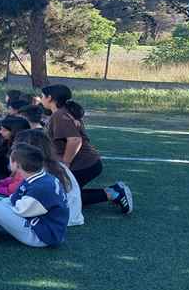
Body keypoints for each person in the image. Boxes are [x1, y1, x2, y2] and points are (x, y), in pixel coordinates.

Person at [41, 85, 133, 214]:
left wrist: (65, 164)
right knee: (60, 194)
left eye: (42, 96)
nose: (41, 99)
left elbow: (75, 140)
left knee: (60, 197)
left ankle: (114, 193)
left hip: (84, 164)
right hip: (87, 162)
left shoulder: (60, 115)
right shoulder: (61, 113)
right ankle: (113, 191)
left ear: (50, 98)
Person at [14, 129, 83, 226]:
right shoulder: (56, 165)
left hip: (57, 220)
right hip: (70, 216)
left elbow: (24, 201)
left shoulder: (37, 169)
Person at [0, 115, 31, 182]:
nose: (0, 132)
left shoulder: (22, 151)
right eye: (1, 129)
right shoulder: (5, 143)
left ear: (15, 132)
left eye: (4, 130)